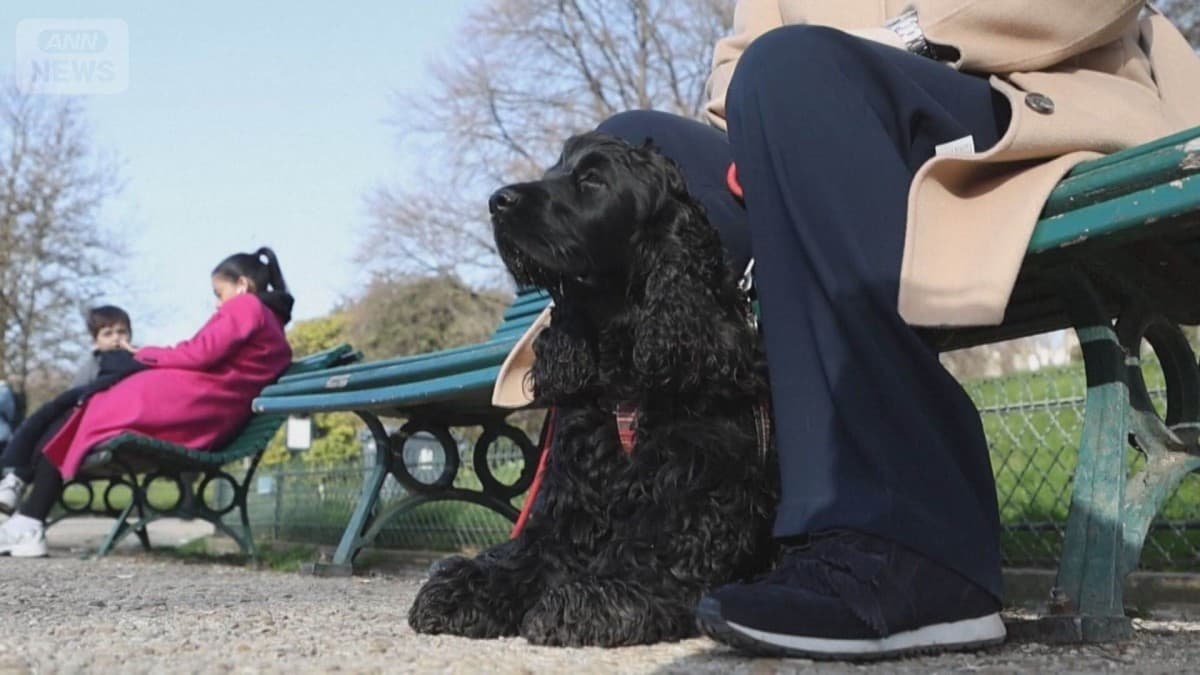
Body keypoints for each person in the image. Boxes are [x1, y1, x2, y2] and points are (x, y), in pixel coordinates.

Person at [492, 0, 1200, 660]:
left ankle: (912, 546)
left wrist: (890, 42)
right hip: (805, 116)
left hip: (1017, 95)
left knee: (793, 71)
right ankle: (601, 541)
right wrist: (769, 121)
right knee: (628, 146)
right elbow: (736, 68)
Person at [0, 247, 294, 557]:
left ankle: (26, 518)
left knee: (80, 413)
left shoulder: (246, 306)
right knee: (76, 414)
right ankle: (26, 518)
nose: (217, 303)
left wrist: (145, 354)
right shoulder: (273, 327)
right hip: (204, 418)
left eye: (219, 293)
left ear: (243, 286)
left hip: (184, 408)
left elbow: (200, 352)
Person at [0, 305, 135, 515]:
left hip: (101, 426)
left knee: (55, 431)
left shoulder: (134, 361)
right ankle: (16, 481)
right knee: (51, 425)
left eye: (122, 332)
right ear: (95, 341)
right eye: (107, 334)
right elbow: (74, 396)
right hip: (82, 419)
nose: (116, 339)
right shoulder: (93, 364)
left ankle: (19, 485)